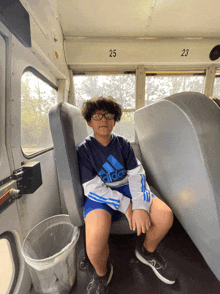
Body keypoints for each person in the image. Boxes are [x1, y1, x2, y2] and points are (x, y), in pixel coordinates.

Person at [77, 96, 175, 294]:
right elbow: (91, 187)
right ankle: (102, 274)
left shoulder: (122, 144)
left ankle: (146, 252)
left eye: (109, 115)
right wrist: (126, 205)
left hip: (128, 187)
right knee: (94, 247)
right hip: (101, 196)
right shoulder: (84, 150)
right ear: (89, 121)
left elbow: (136, 174)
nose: (103, 119)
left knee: (165, 217)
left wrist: (139, 205)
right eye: (97, 116)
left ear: (115, 120)